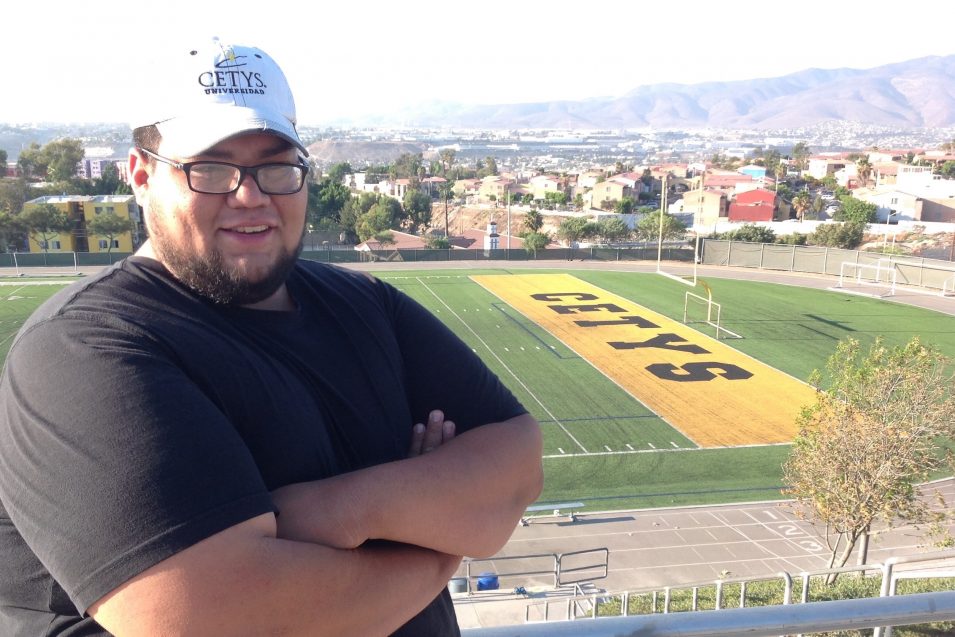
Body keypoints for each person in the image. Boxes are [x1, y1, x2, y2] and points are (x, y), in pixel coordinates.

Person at [0, 38, 543, 636]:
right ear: (141, 175)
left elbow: (513, 469)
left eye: (275, 167)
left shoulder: (364, 304)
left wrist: (332, 511)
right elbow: (209, 618)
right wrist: (436, 543)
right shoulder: (84, 349)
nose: (250, 194)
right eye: (209, 168)